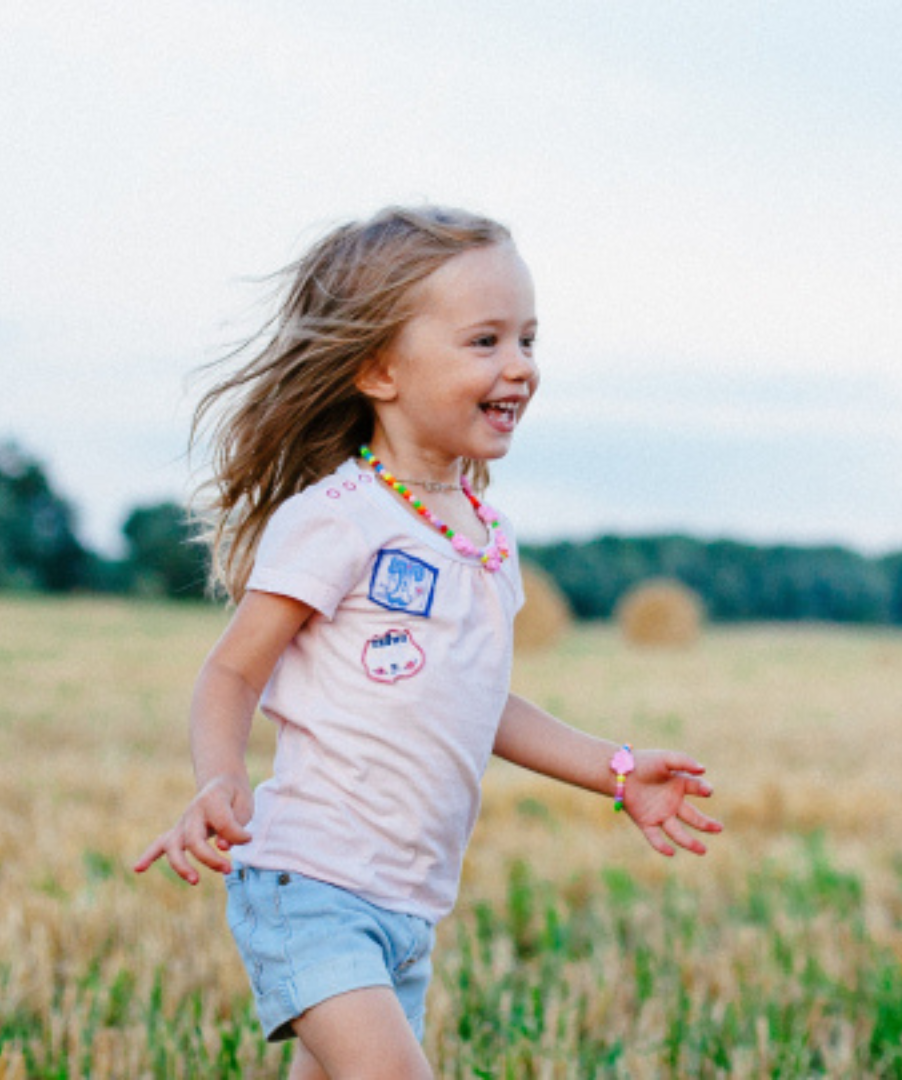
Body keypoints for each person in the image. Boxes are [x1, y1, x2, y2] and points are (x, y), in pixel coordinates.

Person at [133, 206, 722, 1079]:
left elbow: (480, 700)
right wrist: (220, 779)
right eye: (484, 341)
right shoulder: (336, 520)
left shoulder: (485, 534)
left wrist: (617, 770)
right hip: (311, 884)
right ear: (379, 369)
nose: (518, 366)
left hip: (407, 905)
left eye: (527, 339)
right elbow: (233, 669)